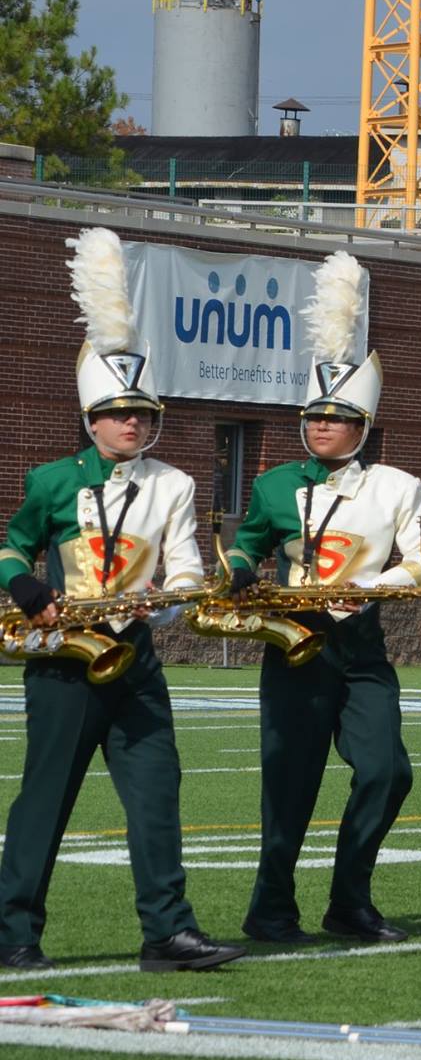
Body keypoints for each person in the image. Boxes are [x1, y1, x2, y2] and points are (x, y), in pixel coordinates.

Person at [0, 227, 244, 972]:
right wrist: (27, 588)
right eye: (119, 411)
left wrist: (162, 605)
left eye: (143, 412)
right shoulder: (51, 480)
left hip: (134, 660)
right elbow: (10, 548)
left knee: (157, 795)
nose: (133, 422)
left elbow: (187, 571)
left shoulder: (174, 484)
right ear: (92, 418)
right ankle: (13, 932)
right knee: (46, 798)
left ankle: (167, 933)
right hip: (63, 660)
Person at [229, 252, 421, 946]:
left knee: (387, 772)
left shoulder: (397, 486)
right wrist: (239, 572)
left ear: (364, 424)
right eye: (314, 416)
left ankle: (350, 900)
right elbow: (247, 544)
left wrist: (371, 586)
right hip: (293, 650)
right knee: (288, 788)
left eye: (338, 416)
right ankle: (271, 910)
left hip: (359, 651)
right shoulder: (272, 484)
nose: (322, 426)